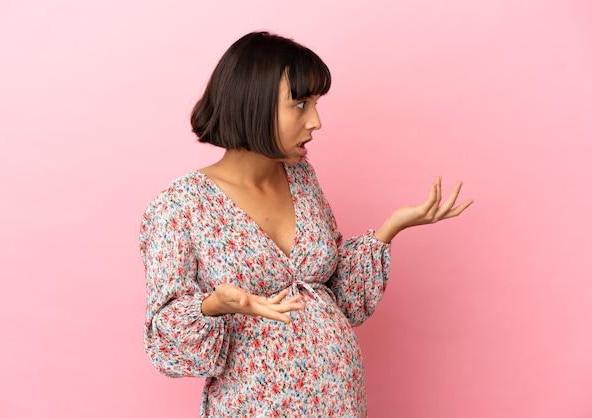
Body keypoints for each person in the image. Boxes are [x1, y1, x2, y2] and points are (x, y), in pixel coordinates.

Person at [139, 31, 473, 417]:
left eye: (315, 103)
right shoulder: (180, 206)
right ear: (254, 104)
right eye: (300, 104)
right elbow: (165, 342)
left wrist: (388, 230)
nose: (315, 121)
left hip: (341, 405)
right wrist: (212, 306)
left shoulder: (301, 178)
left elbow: (339, 298)